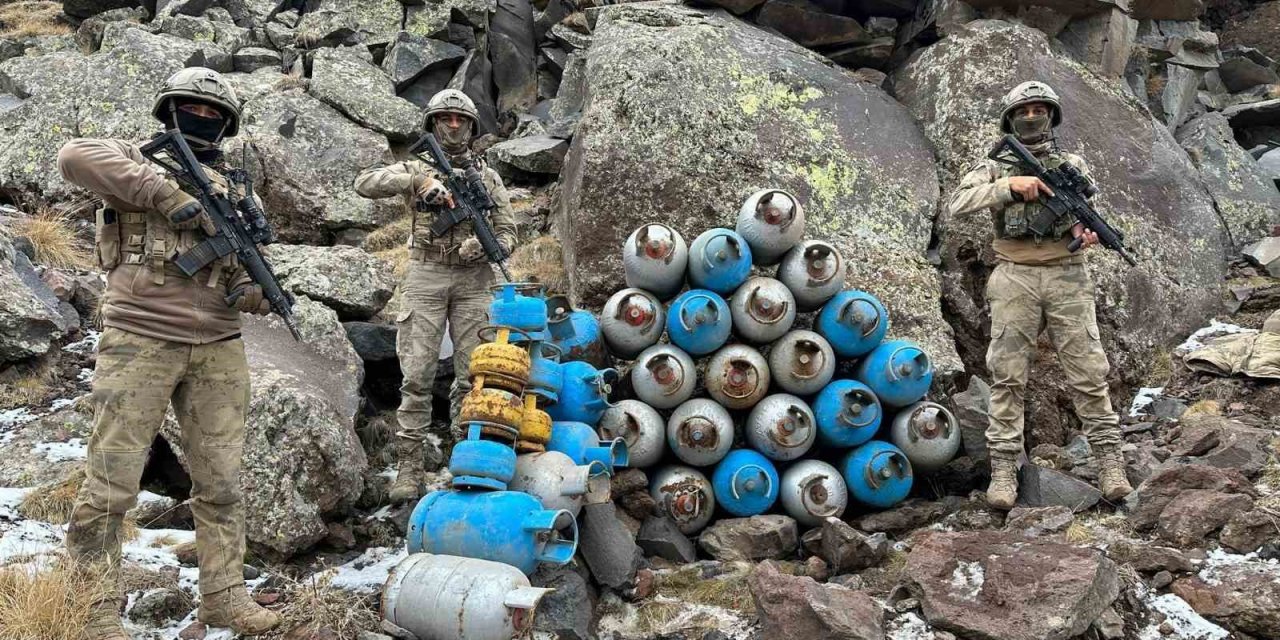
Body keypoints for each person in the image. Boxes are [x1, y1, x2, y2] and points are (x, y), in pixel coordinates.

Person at [57, 67, 280, 638]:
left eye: (213, 112)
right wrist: (164, 192)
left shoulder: (237, 188)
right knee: (111, 480)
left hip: (219, 346)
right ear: (168, 109)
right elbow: (72, 156)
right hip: (141, 336)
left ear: (227, 124)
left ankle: (224, 598)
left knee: (223, 482)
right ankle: (92, 608)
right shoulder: (135, 159)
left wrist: (251, 292)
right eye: (191, 107)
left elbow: (247, 267)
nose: (202, 117)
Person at [948, 81, 1133, 510]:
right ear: (1011, 119)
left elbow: (1082, 207)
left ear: (1052, 115)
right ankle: (1003, 472)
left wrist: (1081, 233)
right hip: (1014, 275)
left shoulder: (1072, 164)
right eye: (1024, 110)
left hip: (1068, 274)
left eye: (1040, 108)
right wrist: (1011, 187)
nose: (1032, 116)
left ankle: (1110, 463)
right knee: (1008, 375)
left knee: (1089, 372)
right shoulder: (996, 165)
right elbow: (959, 202)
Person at [354, 89, 518, 504]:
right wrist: (418, 181)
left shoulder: (488, 176)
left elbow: (509, 232)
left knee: (475, 374)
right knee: (417, 374)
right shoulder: (418, 167)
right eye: (445, 117)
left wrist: (483, 247)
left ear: (472, 126)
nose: (453, 125)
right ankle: (409, 470)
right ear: (432, 124)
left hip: (474, 281)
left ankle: (468, 457)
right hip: (426, 274)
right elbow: (365, 183)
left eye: (461, 119)